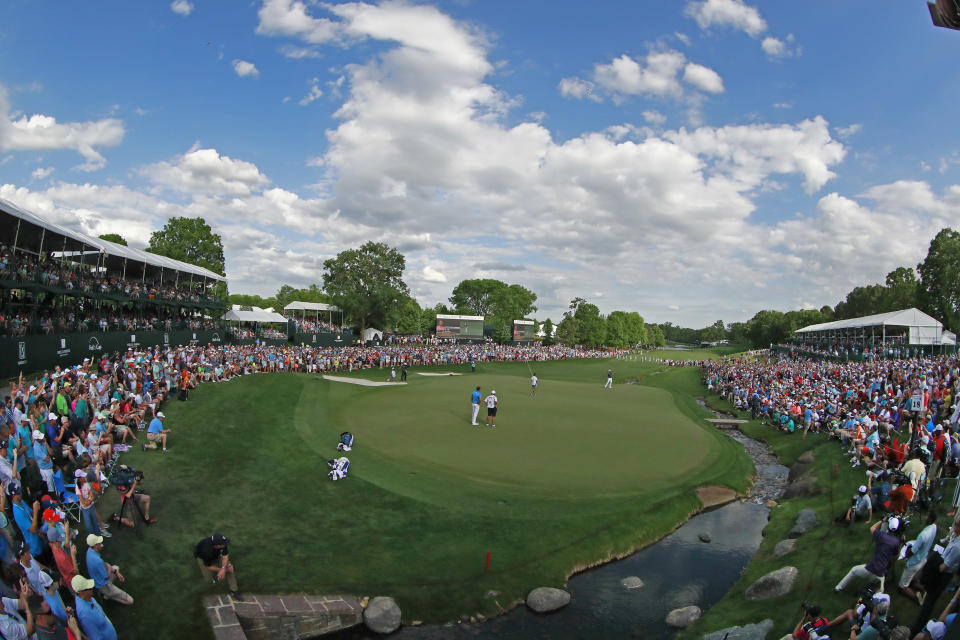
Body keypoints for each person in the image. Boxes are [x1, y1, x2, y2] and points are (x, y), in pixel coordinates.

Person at [835, 517, 902, 592]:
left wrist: (882, 520)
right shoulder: (896, 542)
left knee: (854, 570)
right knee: (880, 593)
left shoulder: (881, 535)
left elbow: (872, 528)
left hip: (869, 568)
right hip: (880, 575)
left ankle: (838, 588)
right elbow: (895, 556)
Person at [900, 510, 938, 603]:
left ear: (930, 519)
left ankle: (917, 598)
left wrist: (906, 551)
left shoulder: (923, 535)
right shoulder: (934, 527)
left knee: (902, 587)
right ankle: (923, 589)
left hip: (914, 563)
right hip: (923, 559)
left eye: (927, 516)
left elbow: (912, 552)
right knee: (912, 580)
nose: (925, 517)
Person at [85, 534, 133, 605]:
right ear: (95, 546)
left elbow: (104, 564)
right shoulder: (97, 561)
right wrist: (109, 567)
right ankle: (108, 596)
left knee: (116, 568)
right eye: (99, 543)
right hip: (103, 585)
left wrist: (116, 572)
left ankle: (108, 594)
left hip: (98, 579)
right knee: (130, 601)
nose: (101, 544)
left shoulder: (89, 551)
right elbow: (106, 576)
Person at [194, 533, 242, 600]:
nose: (226, 545)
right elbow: (208, 566)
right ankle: (212, 581)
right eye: (224, 544)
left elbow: (225, 556)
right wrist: (222, 570)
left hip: (217, 555)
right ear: (217, 546)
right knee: (208, 579)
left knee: (230, 569)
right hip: (203, 558)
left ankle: (234, 591)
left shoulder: (222, 543)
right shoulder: (206, 551)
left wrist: (224, 568)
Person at [72, 574, 117, 640]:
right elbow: (95, 637)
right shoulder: (85, 615)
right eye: (89, 588)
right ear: (82, 592)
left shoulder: (90, 598)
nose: (92, 588)